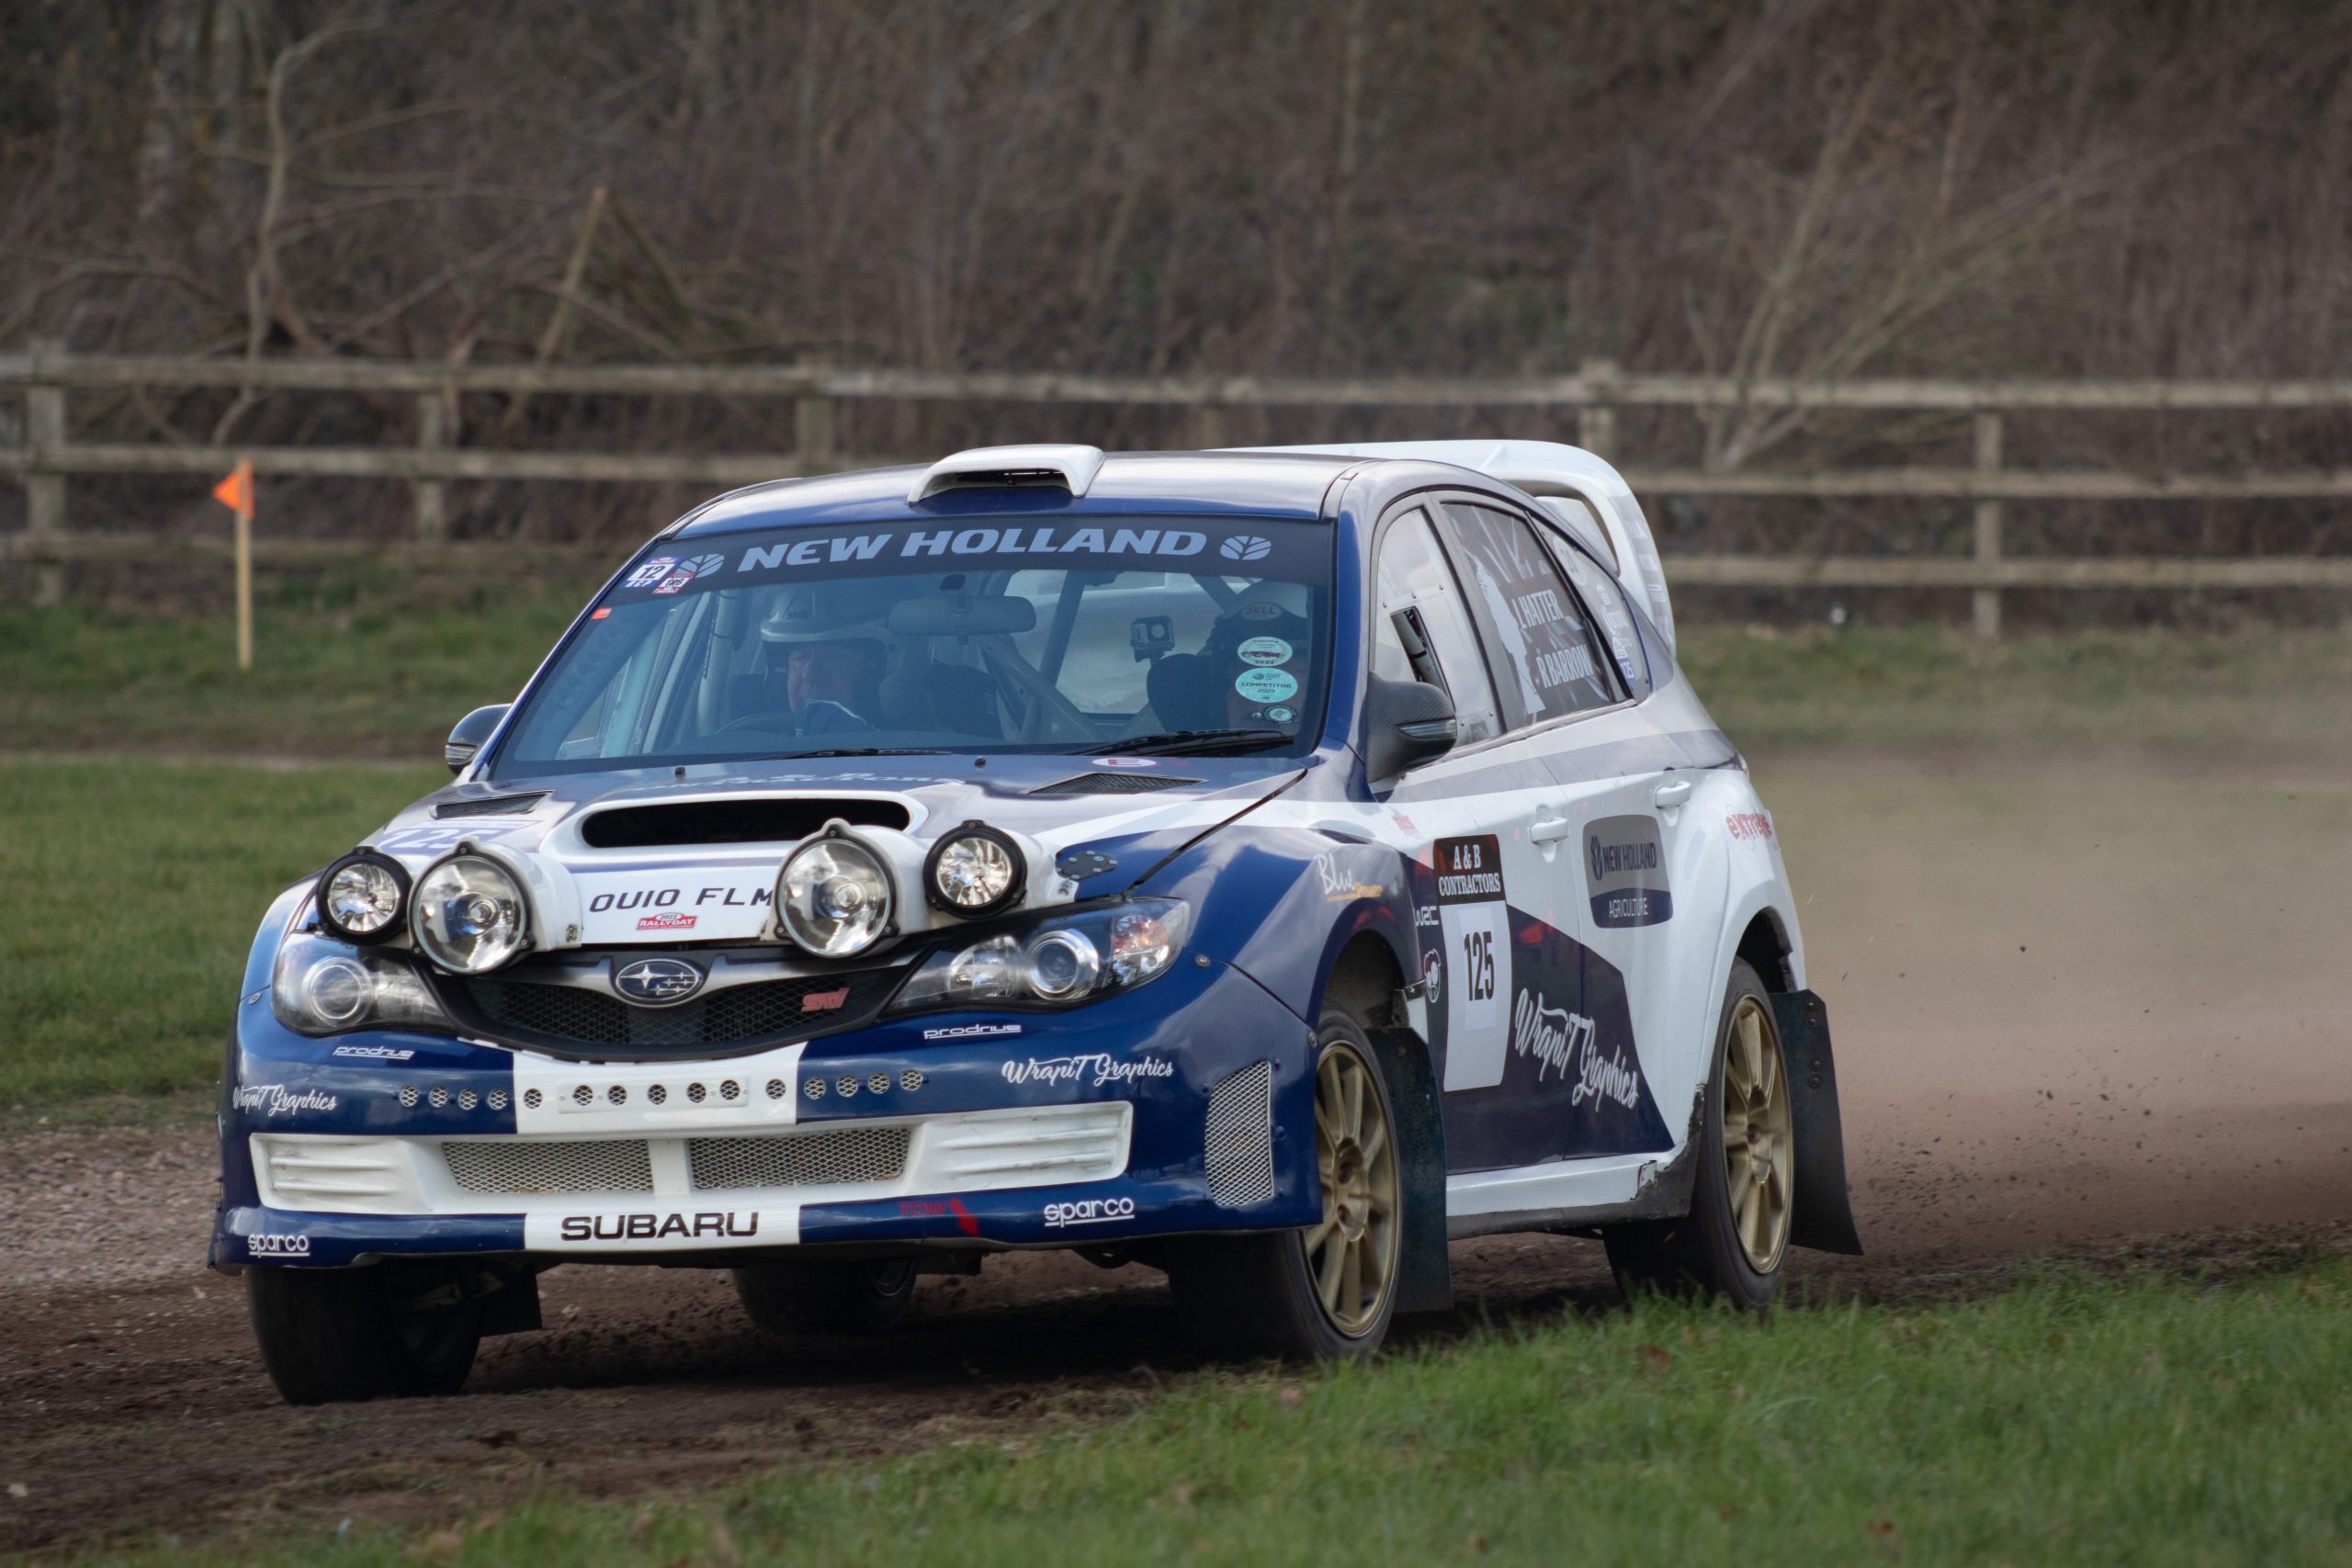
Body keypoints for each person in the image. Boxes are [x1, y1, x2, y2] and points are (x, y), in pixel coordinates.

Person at [756, 589, 890, 734]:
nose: (810, 675)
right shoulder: (756, 740)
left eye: (833, 657)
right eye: (801, 657)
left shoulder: (906, 743)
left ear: (873, 672)